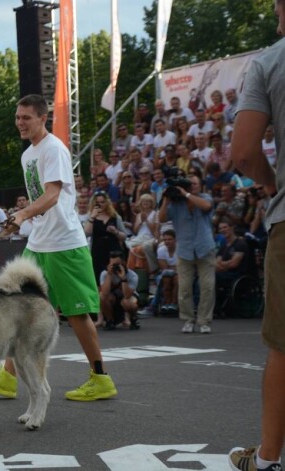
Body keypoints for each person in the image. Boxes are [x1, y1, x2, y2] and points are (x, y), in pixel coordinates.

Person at [0, 94, 117, 402]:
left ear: (43, 118)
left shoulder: (54, 148)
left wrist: (23, 214)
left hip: (64, 245)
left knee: (76, 314)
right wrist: (23, 218)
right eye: (17, 117)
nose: (20, 122)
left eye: (26, 117)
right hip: (40, 242)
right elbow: (40, 199)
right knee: (19, 308)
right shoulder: (27, 154)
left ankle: (100, 378)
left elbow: (53, 195)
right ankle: (7, 377)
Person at [228, 6, 285, 465]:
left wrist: (270, 183)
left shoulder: (270, 61)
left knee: (284, 345)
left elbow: (244, 153)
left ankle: (267, 458)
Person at [158, 175, 215, 334]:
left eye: (195, 184)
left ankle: (204, 321)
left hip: (205, 248)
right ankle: (188, 319)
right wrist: (166, 199)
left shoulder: (205, 197)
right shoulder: (176, 203)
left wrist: (187, 194)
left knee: (207, 287)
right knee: (184, 287)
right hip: (184, 249)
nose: (192, 186)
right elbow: (161, 218)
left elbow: (205, 206)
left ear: (200, 185)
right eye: (189, 184)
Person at [98, 251, 140, 330]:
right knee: (102, 296)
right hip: (113, 298)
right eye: (113, 265)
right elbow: (105, 293)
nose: (115, 267)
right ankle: (109, 321)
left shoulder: (132, 275)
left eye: (117, 265)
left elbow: (127, 295)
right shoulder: (104, 274)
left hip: (127, 297)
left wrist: (123, 279)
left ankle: (133, 319)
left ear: (124, 263)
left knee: (129, 303)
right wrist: (109, 275)